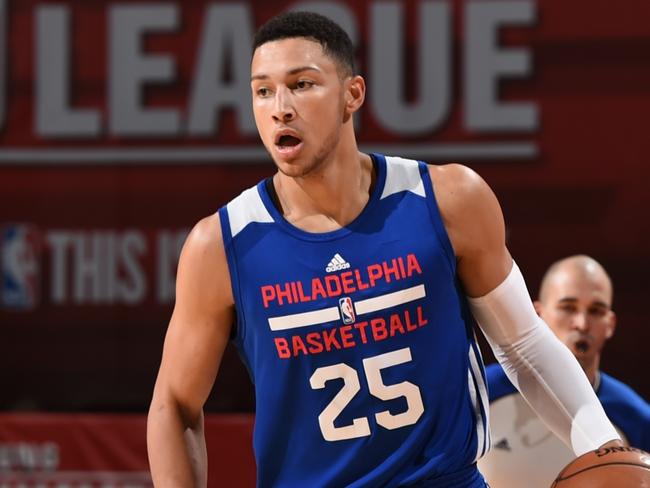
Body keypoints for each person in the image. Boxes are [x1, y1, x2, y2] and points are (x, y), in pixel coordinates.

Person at [147, 12, 622, 487]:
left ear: (352, 94)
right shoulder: (222, 244)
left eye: (302, 84)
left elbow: (524, 346)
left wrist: (607, 448)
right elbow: (175, 404)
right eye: (263, 90)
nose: (281, 108)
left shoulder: (450, 198)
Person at [478, 255, 650, 487]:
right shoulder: (480, 390)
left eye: (596, 311)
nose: (581, 323)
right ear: (537, 314)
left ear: (610, 324)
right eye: (568, 307)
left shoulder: (635, 417)